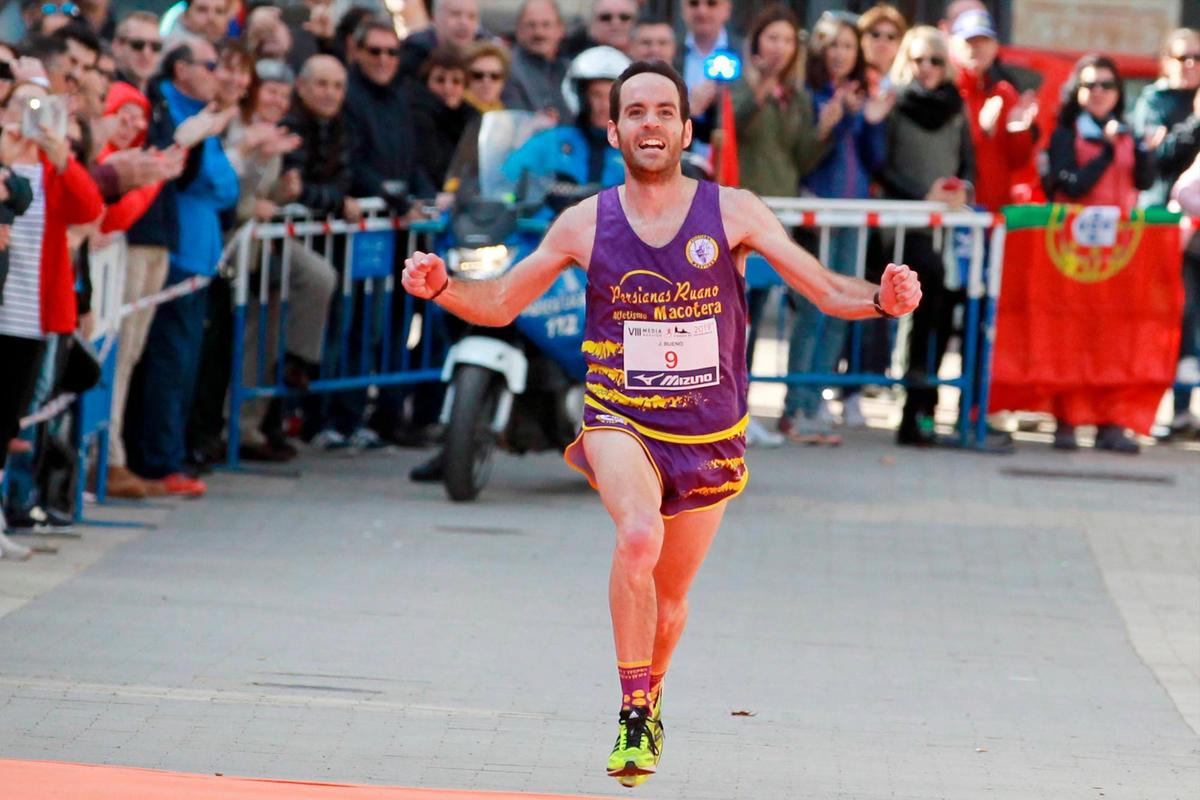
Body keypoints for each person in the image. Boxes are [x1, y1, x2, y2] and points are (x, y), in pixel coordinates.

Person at [401, 59, 921, 787]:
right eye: (635, 112)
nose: (650, 123)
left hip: (708, 434)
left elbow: (825, 287)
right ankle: (634, 711)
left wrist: (883, 301)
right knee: (638, 537)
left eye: (663, 112)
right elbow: (503, 304)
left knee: (671, 601)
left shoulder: (733, 211)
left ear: (684, 128)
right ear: (614, 129)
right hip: (622, 418)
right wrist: (445, 287)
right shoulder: (585, 221)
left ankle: (652, 692)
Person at [124, 37, 238, 498]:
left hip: (196, 255)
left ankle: (170, 455)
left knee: (183, 362)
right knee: (168, 363)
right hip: (176, 256)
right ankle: (158, 461)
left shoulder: (200, 114)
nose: (219, 73)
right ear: (181, 69)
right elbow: (206, 181)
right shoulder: (176, 114)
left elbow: (226, 187)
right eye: (211, 64)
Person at [0, 77, 102, 554]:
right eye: (22, 103)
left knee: (10, 419)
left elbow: (89, 207)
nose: (30, 114)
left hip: (30, 312)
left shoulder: (50, 168)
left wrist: (64, 158)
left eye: (41, 106)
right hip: (4, 302)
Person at [781, 13, 892, 444]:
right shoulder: (807, 94)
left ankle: (815, 401)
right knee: (813, 308)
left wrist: (871, 120)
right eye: (834, 46)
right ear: (820, 50)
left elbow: (871, 159)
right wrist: (833, 121)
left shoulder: (862, 94)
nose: (841, 54)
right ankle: (795, 405)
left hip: (853, 211)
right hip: (816, 212)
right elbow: (807, 156)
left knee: (845, 307)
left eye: (849, 46)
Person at [1041, 54, 1155, 454]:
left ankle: (1110, 422)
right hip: (1073, 256)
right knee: (1072, 336)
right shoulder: (1064, 135)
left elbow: (1144, 180)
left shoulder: (1127, 133)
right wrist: (1107, 152)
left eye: (1107, 85)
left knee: (1115, 338)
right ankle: (1067, 420)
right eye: (1091, 85)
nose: (1100, 93)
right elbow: (1069, 186)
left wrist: (1143, 150)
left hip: (1119, 257)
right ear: (1078, 91)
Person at [730, 3, 825, 448]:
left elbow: (801, 158)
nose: (780, 48)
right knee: (736, 316)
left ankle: (747, 409)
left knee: (763, 306)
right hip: (739, 211)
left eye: (788, 40)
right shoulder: (736, 84)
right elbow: (734, 126)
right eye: (773, 38)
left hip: (778, 217)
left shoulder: (799, 97)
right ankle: (729, 409)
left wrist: (827, 125)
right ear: (756, 42)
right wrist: (760, 88)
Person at [876, 25, 974, 446]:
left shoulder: (957, 107)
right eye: (920, 60)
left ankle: (927, 410)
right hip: (906, 226)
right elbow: (882, 166)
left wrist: (962, 191)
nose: (928, 68)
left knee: (942, 314)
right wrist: (922, 195)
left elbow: (968, 164)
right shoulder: (895, 104)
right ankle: (910, 410)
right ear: (907, 62)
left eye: (937, 60)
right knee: (918, 303)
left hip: (948, 227)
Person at [950, 9, 1037, 213]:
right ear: (954, 45)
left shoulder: (1004, 92)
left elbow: (1019, 162)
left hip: (996, 209)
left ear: (995, 47)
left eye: (984, 41)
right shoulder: (949, 90)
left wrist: (1019, 131)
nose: (977, 48)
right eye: (970, 41)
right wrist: (982, 130)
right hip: (958, 209)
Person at [674, 0, 740, 151]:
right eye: (693, 4)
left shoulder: (746, 54)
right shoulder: (670, 53)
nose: (702, 11)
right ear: (682, 9)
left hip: (730, 164)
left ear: (727, 9)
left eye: (711, 4)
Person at [502, 0, 569, 121]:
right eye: (531, 25)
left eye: (546, 25)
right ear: (518, 30)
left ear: (560, 29)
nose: (539, 32)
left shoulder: (571, 70)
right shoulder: (505, 69)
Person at [398, 0, 486, 80]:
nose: (464, 23)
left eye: (471, 17)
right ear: (435, 18)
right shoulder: (414, 53)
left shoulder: (486, 57)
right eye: (455, 14)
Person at [858, 3, 907, 94]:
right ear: (861, 39)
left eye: (891, 37)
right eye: (875, 34)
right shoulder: (850, 79)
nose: (882, 41)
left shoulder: (906, 82)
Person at [562, 0, 637, 59]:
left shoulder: (645, 61)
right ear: (590, 24)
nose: (616, 23)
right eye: (606, 17)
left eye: (624, 17)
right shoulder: (577, 63)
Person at [463, 41, 510, 113]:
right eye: (478, 75)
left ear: (503, 81)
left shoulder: (503, 114)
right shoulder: (457, 111)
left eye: (495, 76)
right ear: (467, 78)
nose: (486, 81)